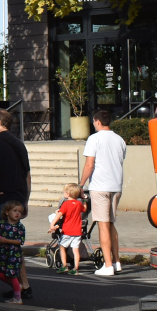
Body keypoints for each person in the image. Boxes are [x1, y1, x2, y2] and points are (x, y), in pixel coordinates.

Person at [0, 108, 32, 299]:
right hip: (18, 196)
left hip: (1, 198)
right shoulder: (19, 144)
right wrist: (25, 201)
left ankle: (24, 286)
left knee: (6, 241)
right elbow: (27, 175)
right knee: (4, 241)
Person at [80, 108, 126, 276]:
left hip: (100, 186)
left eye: (94, 122)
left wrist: (81, 184)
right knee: (112, 224)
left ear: (97, 122)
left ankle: (107, 265)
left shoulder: (94, 139)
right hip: (116, 186)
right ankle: (116, 261)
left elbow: (89, 165)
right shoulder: (119, 139)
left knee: (103, 225)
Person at [0, 200, 26, 304]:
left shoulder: (20, 227)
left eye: (19, 211)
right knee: (0, 274)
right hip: (2, 252)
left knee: (12, 275)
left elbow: (20, 241)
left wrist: (6, 240)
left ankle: (17, 298)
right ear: (7, 212)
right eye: (15, 210)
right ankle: (18, 286)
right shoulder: (2, 224)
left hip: (13, 253)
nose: (17, 213)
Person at [49, 183, 86, 274]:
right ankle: (76, 268)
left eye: (65, 192)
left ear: (68, 194)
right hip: (77, 231)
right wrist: (84, 200)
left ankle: (64, 265)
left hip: (67, 231)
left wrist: (52, 224)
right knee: (75, 250)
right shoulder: (78, 204)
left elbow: (59, 215)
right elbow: (84, 209)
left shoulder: (65, 204)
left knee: (62, 247)